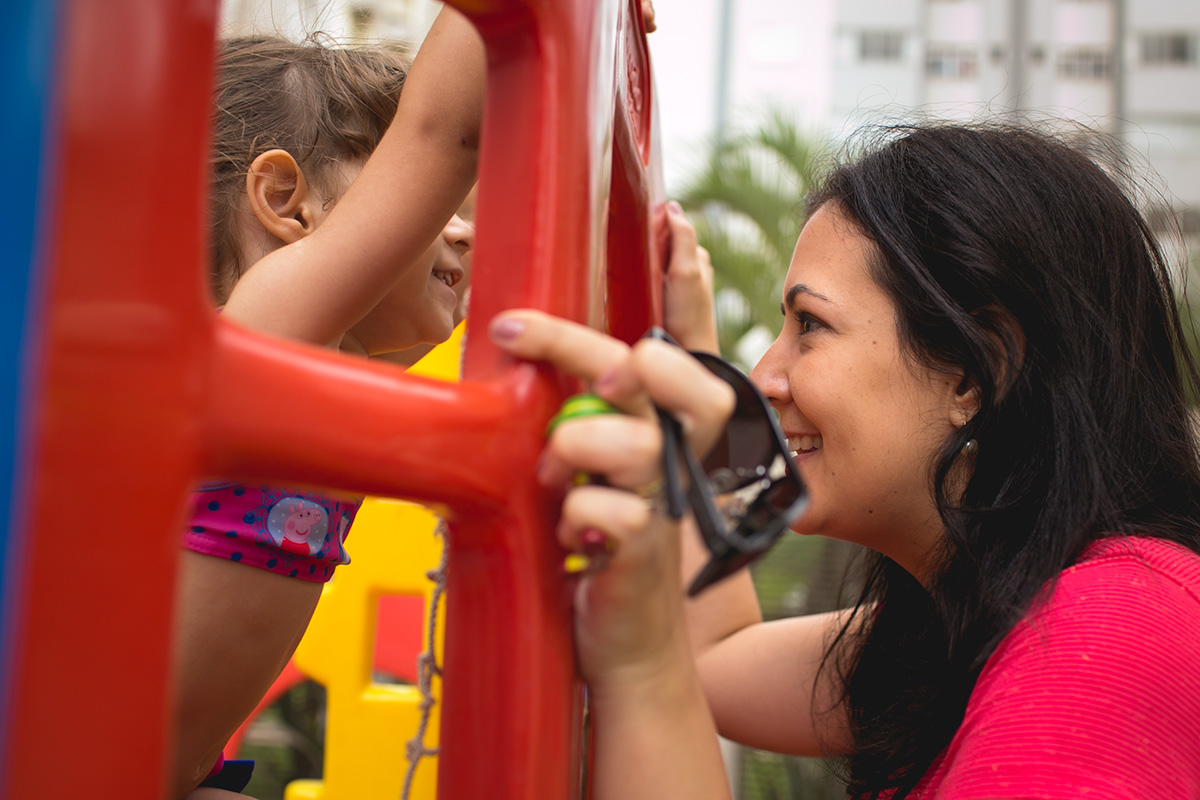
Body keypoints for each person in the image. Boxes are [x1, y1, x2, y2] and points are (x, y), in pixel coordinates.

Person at [489, 122, 1200, 799]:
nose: (765, 374)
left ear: (972, 374)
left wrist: (639, 667)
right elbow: (710, 663)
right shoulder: (976, 617)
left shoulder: (1100, 638)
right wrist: (694, 370)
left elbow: (671, 670)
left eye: (810, 325)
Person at [174, 9, 483, 798]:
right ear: (286, 199)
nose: (463, 230)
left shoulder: (330, 371)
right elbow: (440, 134)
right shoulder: (265, 330)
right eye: (426, 201)